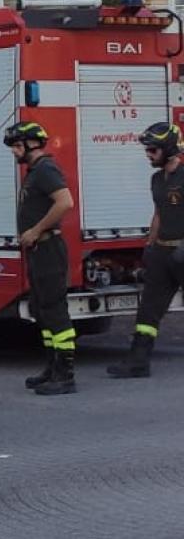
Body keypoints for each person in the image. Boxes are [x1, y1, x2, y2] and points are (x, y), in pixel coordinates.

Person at [108, 120, 184, 379]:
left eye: (153, 151)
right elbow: (159, 213)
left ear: (169, 149)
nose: (148, 155)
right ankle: (138, 361)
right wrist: (150, 244)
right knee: (148, 309)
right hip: (163, 254)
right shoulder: (157, 179)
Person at [6, 121, 77, 396]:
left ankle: (65, 373)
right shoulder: (34, 171)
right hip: (38, 250)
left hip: (48, 249)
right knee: (42, 308)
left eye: (16, 146)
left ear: (30, 144)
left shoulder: (45, 169)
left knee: (55, 310)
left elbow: (65, 202)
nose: (14, 152)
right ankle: (52, 367)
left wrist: (35, 230)